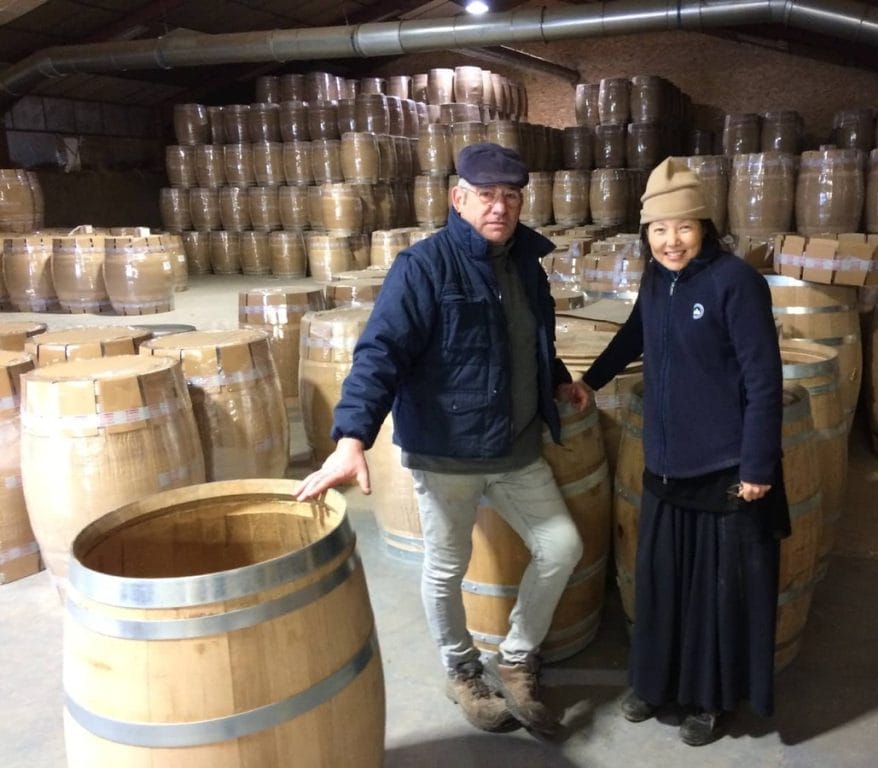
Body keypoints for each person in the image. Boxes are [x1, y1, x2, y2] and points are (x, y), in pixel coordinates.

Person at [295, 143, 588, 736]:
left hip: (516, 449)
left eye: (510, 196)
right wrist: (352, 436)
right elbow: (381, 354)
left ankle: (514, 657)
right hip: (448, 451)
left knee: (561, 547)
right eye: (486, 195)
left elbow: (531, 341)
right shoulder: (424, 267)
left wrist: (556, 382)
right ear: (458, 199)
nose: (499, 207)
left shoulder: (527, 265)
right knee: (446, 568)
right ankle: (461, 670)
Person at [578, 157, 790, 746]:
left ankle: (709, 699)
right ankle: (654, 684)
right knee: (662, 583)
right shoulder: (656, 279)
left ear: (704, 226)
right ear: (647, 234)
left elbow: (763, 379)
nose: (672, 241)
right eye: (659, 230)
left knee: (714, 592)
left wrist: (757, 466)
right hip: (666, 461)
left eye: (684, 227)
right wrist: (589, 381)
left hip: (723, 467)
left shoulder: (735, 283)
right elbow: (634, 333)